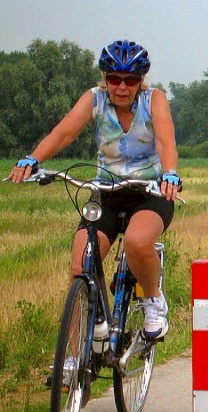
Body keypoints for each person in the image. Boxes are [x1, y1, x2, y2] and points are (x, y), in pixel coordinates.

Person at [7, 39, 180, 340]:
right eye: (114, 79)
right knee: (80, 266)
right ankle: (85, 342)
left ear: (141, 81)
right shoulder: (95, 99)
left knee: (137, 243)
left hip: (150, 192)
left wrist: (171, 174)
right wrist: (33, 158)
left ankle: (153, 300)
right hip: (106, 194)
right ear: (105, 79)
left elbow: (166, 143)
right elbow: (63, 133)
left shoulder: (154, 100)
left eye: (130, 80)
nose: (122, 87)